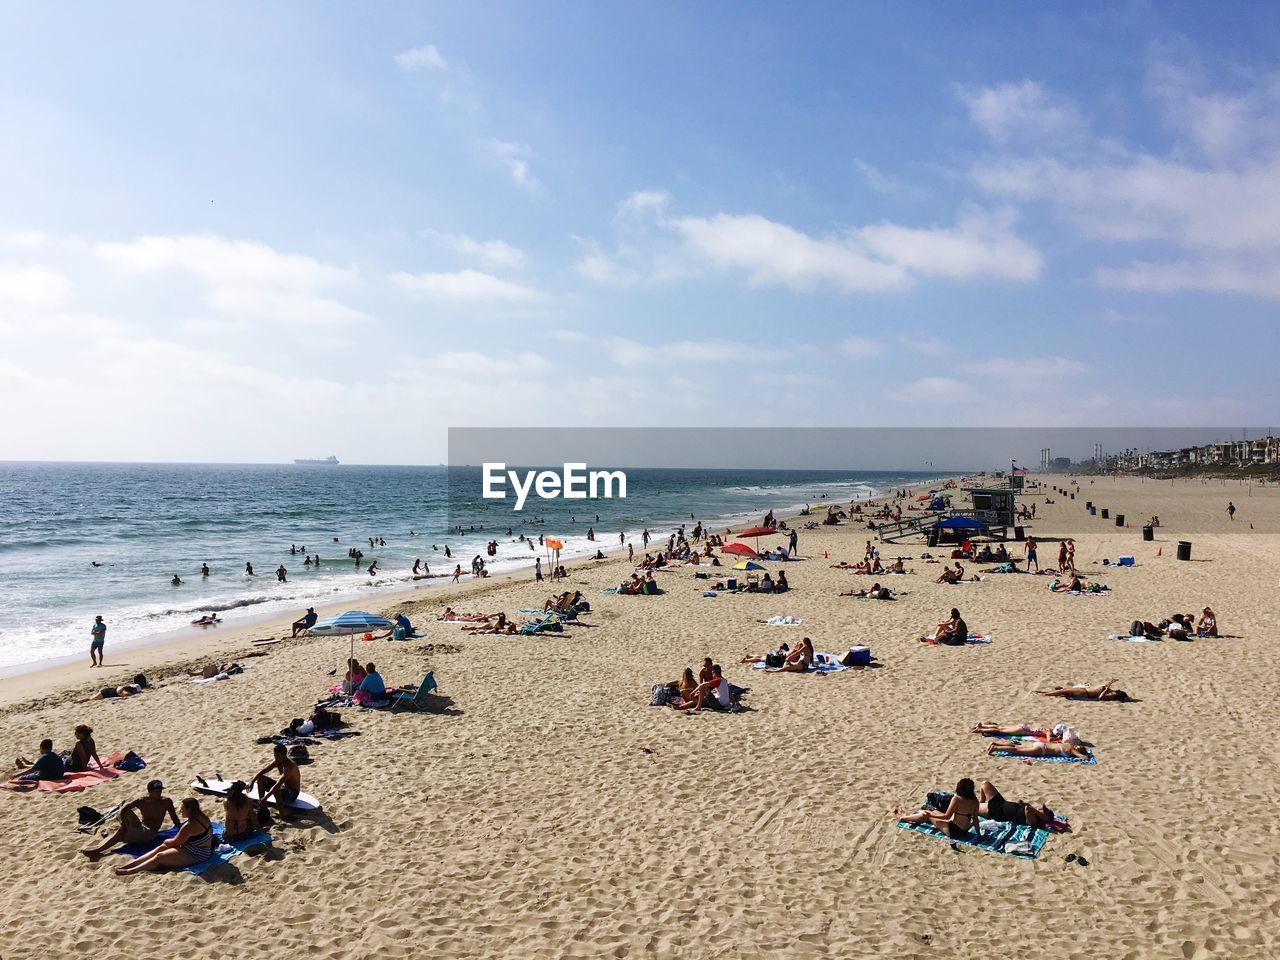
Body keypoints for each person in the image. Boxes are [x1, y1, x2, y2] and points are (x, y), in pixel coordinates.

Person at [113, 797, 215, 875]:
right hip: (195, 847)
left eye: (183, 808)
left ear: (189, 810)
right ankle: (129, 865)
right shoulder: (202, 817)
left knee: (159, 856)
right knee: (161, 848)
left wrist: (167, 841)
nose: (180, 810)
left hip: (197, 854)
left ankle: (131, 870)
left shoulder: (190, 825)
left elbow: (176, 842)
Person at [82, 779, 180, 859]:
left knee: (121, 833)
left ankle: (98, 850)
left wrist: (180, 829)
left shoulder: (166, 801)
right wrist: (124, 823)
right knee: (125, 810)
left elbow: (174, 817)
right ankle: (100, 848)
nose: (159, 793)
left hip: (150, 833)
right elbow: (124, 809)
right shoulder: (142, 801)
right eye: (156, 791)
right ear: (149, 792)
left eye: (160, 791)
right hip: (141, 827)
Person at [895, 778, 980, 839]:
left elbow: (946, 816)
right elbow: (975, 819)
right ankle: (927, 811)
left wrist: (931, 815)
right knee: (933, 811)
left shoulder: (957, 799)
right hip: (964, 831)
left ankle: (903, 818)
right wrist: (979, 835)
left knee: (927, 815)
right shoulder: (975, 800)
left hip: (954, 831)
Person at [247, 744, 302, 817]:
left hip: (292, 794)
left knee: (276, 789)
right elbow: (263, 771)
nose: (276, 758)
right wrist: (252, 781)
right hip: (284, 787)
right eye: (275, 756)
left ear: (284, 755)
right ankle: (262, 806)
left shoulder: (290, 766)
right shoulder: (278, 761)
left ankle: (282, 815)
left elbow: (278, 784)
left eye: (277, 756)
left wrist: (266, 797)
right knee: (260, 778)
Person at [976, 780, 1052, 830]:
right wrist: (1021, 804)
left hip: (997, 811)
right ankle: (982, 802)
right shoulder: (1033, 812)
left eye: (1043, 810)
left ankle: (980, 806)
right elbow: (1022, 807)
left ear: (1043, 816)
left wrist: (1043, 817)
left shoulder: (1034, 821)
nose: (1040, 808)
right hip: (1001, 802)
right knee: (985, 783)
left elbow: (1027, 809)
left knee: (974, 807)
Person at [986, 737, 1091, 760]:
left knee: (1017, 746)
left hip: (1040, 744)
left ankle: (996, 744)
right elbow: (1084, 758)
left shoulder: (1068, 744)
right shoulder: (1072, 750)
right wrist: (1087, 755)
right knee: (1016, 750)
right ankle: (996, 748)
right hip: (1042, 750)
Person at [1036, 680, 1129, 701]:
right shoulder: (1111, 691)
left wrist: (1106, 689)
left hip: (1085, 693)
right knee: (1063, 690)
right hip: (1084, 689)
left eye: (1119, 691)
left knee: (1063, 691)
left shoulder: (1111, 696)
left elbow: (1100, 698)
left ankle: (1046, 694)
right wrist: (1108, 684)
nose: (1119, 690)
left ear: (1119, 694)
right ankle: (1046, 693)